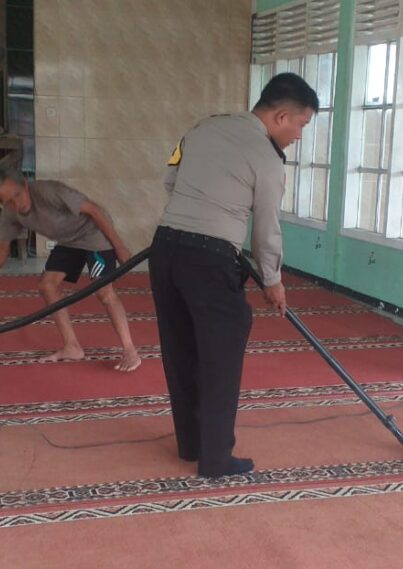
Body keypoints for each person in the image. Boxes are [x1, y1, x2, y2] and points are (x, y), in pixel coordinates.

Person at [150, 72, 317, 478]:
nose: (299, 135)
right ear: (281, 117)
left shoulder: (201, 128)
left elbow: (170, 179)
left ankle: (190, 444)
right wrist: (272, 281)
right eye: (301, 125)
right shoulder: (267, 159)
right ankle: (216, 459)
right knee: (220, 357)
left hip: (164, 250)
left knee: (181, 350)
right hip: (209, 259)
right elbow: (266, 229)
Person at [0, 169, 142, 372]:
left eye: (17, 195)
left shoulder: (50, 191)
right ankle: (72, 346)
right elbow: (2, 248)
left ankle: (130, 350)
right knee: (47, 285)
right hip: (69, 241)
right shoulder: (10, 212)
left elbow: (94, 210)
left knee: (103, 291)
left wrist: (119, 246)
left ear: (26, 186)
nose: (16, 204)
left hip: (94, 234)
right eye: (8, 200)